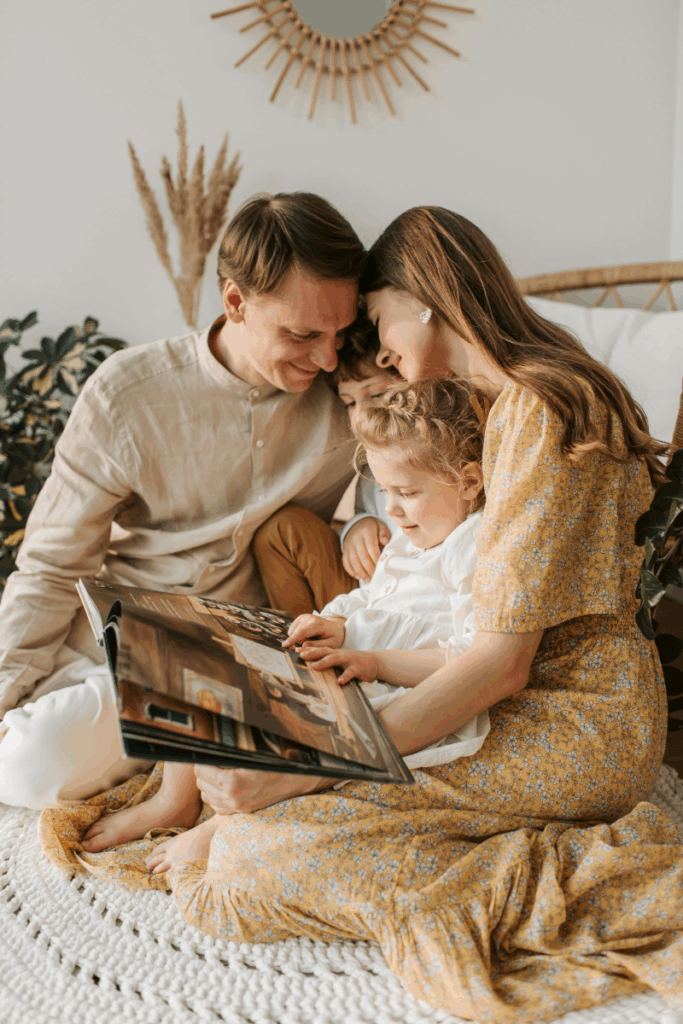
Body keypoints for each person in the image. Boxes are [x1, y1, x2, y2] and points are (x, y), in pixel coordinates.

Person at [42, 207, 683, 1024]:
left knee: (248, 864)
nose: (375, 350)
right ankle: (206, 790)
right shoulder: (494, 406)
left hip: (563, 718)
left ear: (424, 299)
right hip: (476, 689)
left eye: (377, 321)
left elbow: (497, 665)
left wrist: (306, 769)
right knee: (191, 654)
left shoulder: (543, 411)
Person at [0, 191, 365, 810]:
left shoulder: (352, 389)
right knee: (26, 763)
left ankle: (167, 752)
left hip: (242, 661)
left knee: (32, 766)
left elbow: (412, 483)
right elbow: (53, 564)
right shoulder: (127, 394)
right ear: (235, 301)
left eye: (341, 331)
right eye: (302, 333)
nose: (327, 356)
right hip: (119, 635)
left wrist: (367, 521)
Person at [249, 311, 400, 619]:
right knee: (282, 530)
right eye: (350, 402)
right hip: (362, 596)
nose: (362, 415)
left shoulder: (446, 464)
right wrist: (357, 528)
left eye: (379, 395)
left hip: (407, 612)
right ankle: (297, 642)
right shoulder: (371, 466)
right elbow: (364, 514)